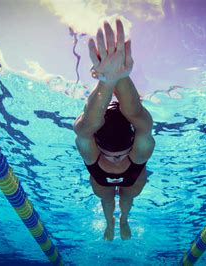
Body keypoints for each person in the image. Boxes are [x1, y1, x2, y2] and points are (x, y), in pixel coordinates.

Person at [73, 19, 155, 241]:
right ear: (98, 145)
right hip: (101, 180)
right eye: (110, 154)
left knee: (127, 198)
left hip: (132, 178)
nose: (117, 160)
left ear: (133, 143)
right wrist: (107, 82)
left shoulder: (140, 148)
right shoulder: (91, 149)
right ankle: (110, 222)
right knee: (106, 200)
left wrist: (118, 78)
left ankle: (124, 219)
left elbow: (136, 113)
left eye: (121, 154)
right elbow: (85, 128)